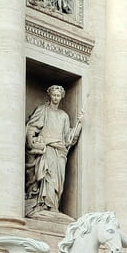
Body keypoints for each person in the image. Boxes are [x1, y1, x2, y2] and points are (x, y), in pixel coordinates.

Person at [24, 85, 80, 217]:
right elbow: (32, 127)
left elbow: (68, 138)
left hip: (60, 151)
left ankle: (53, 205)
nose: (56, 98)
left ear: (61, 97)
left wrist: (79, 125)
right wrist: (32, 140)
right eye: (54, 95)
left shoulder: (64, 116)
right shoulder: (43, 110)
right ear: (50, 95)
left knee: (57, 181)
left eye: (58, 96)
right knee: (47, 177)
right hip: (47, 148)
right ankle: (43, 205)